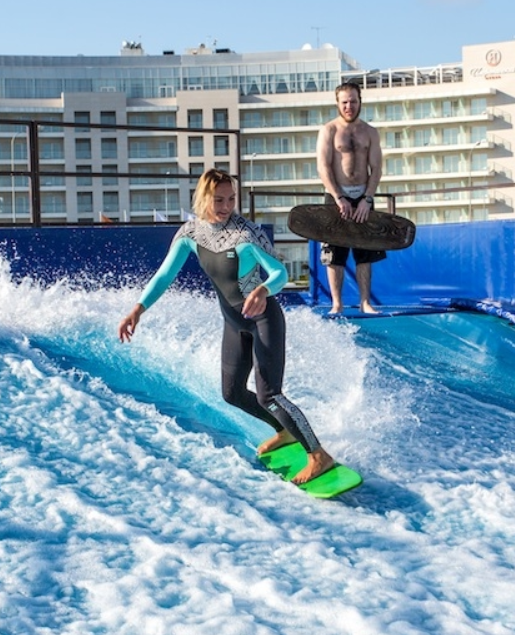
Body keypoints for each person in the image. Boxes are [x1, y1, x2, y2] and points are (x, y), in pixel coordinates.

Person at [118, 169, 335, 485]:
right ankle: (284, 431)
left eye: (231, 198)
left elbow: (279, 274)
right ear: (203, 197)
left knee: (269, 395)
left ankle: (318, 455)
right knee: (232, 393)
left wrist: (262, 290)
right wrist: (138, 309)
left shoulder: (245, 234)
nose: (226, 205)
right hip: (234, 323)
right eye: (219, 199)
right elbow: (165, 275)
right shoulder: (191, 235)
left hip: (263, 317)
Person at [316, 81, 384, 314]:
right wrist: (338, 196)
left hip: (363, 197)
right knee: (335, 255)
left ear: (360, 102)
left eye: (353, 101)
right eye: (344, 102)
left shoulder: (370, 132)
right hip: (336, 197)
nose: (349, 106)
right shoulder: (329, 131)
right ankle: (337, 303)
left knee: (364, 254)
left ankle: (365, 302)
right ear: (337, 103)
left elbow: (376, 168)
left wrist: (367, 199)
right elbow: (323, 167)